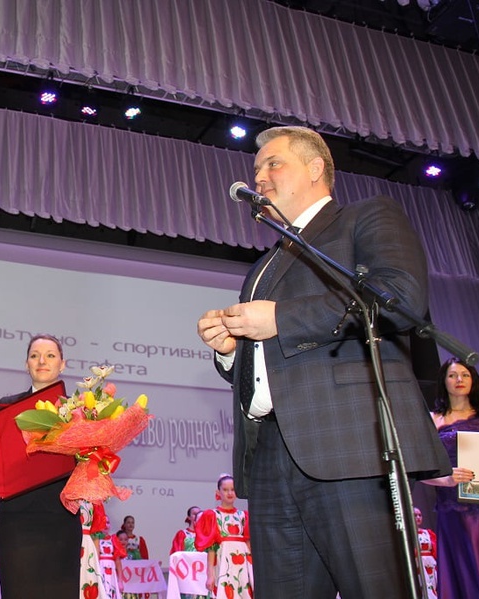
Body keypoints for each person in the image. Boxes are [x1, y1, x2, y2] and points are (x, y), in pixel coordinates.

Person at [197, 125, 451, 598]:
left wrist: (281, 318)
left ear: (316, 169)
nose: (260, 177)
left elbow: (399, 299)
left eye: (273, 164)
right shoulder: (264, 264)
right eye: (257, 169)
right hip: (271, 455)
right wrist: (230, 353)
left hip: (351, 445)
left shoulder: (366, 218)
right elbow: (269, 356)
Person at [0, 334, 81, 598]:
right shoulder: (7, 407)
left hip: (62, 523)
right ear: (26, 365)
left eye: (50, 355)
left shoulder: (79, 411)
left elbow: (89, 465)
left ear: (62, 364)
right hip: (17, 523)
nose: (42, 361)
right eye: (34, 355)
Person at [422, 358, 479, 599]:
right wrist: (445, 479)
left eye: (465, 375)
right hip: (456, 511)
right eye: (453, 375)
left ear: (474, 380)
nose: (459, 380)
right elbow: (418, 470)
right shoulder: (432, 420)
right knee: (468, 575)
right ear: (443, 381)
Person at [195, 474, 252, 599]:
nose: (230, 493)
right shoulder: (212, 515)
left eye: (233, 489)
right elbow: (211, 548)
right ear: (218, 492)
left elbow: (249, 545)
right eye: (225, 490)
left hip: (243, 563)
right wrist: (210, 574)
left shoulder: (243, 515)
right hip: (223, 561)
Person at [169, 506, 206, 599]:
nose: (197, 516)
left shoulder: (206, 536)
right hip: (187, 576)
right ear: (189, 517)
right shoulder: (182, 534)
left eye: (199, 514)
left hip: (202, 575)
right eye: (194, 514)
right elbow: (176, 555)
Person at [118, 515, 149, 599]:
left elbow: (145, 556)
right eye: (128, 522)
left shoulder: (139, 539)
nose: (130, 525)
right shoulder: (119, 538)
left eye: (132, 523)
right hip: (123, 571)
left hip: (136, 572)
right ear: (124, 524)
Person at [413, 507, 438, 599]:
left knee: (433, 586)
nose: (418, 517)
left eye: (420, 515)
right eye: (415, 515)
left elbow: (435, 550)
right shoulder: (408, 534)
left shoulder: (428, 533)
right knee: (425, 587)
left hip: (431, 564)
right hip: (419, 563)